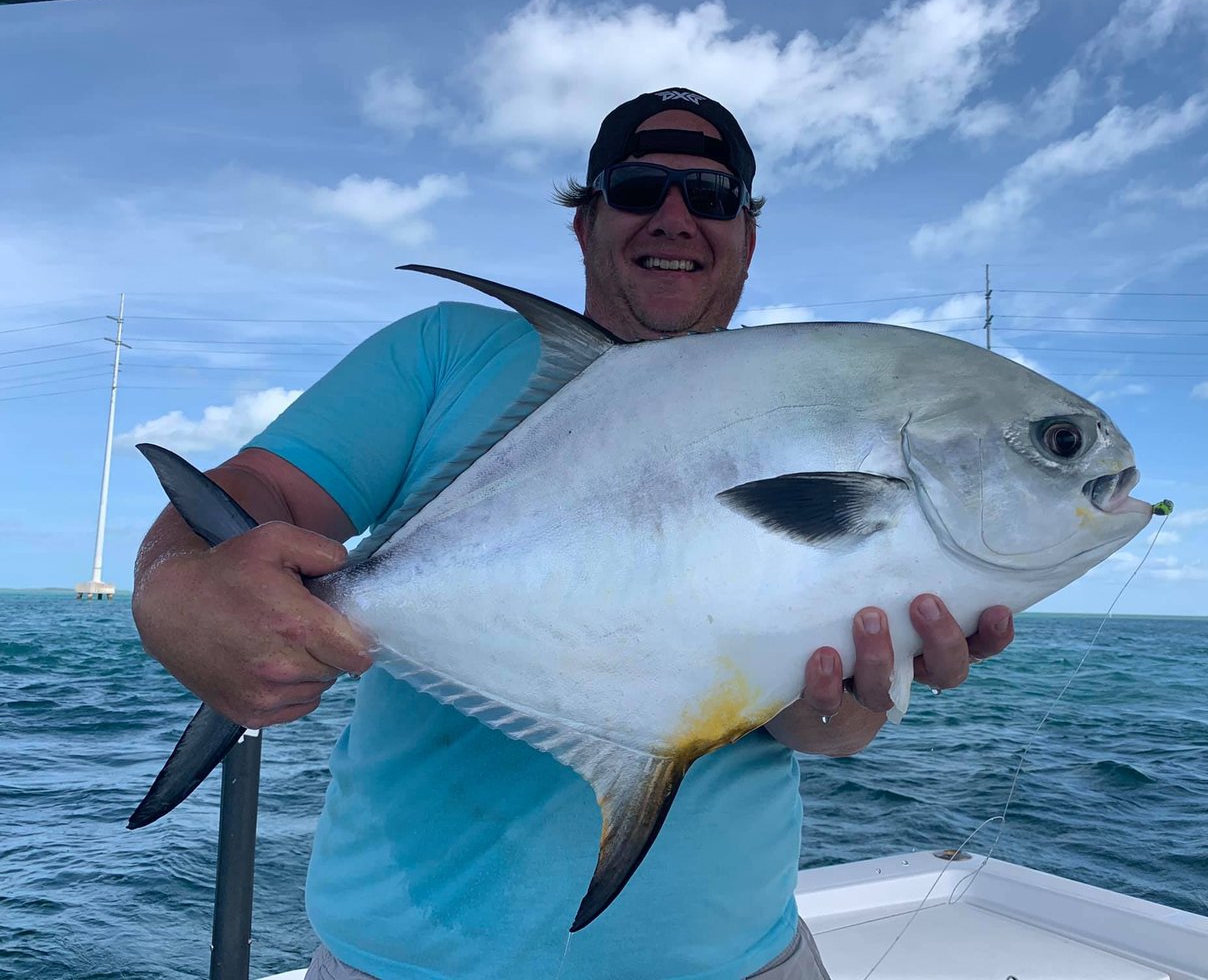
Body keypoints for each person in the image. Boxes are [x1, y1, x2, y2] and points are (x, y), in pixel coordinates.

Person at [132, 87, 1014, 980]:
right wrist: (174, 587)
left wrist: (842, 707)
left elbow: (807, 725)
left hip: (737, 961)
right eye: (638, 189)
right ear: (583, 219)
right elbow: (258, 489)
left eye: (709, 198)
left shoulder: (806, 408)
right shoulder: (449, 353)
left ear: (747, 234)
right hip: (401, 963)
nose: (674, 218)